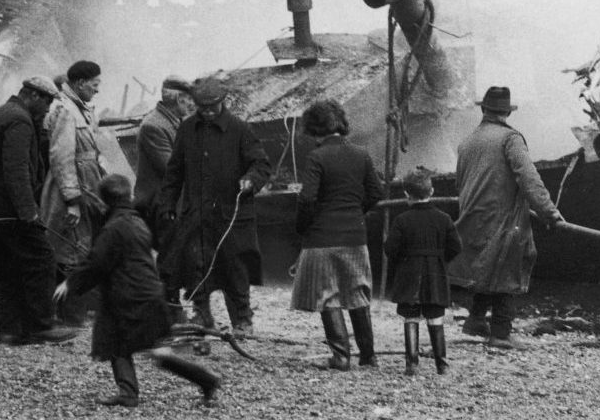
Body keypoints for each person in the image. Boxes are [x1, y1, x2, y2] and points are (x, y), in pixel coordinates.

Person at [54, 175, 221, 408]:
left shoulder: (114, 228)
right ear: (127, 195)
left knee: (114, 342)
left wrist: (70, 283)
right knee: (160, 353)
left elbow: (97, 263)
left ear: (105, 202)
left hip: (127, 300)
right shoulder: (137, 222)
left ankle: (129, 392)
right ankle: (206, 380)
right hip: (151, 297)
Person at [0, 76, 78, 345]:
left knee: (10, 267)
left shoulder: (3, 112)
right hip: (3, 207)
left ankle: (11, 330)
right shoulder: (19, 120)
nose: (47, 110)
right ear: (33, 96)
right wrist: (29, 212)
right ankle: (41, 325)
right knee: (42, 258)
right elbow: (16, 170)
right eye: (46, 103)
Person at [448, 86, 563, 346]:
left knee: (485, 266)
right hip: (502, 218)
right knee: (509, 266)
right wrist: (549, 213)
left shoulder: (467, 142)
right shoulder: (510, 139)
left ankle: (476, 319)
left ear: (483, 109)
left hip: (472, 213)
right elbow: (529, 179)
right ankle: (500, 333)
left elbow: (460, 182)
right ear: (507, 112)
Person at [161, 75, 269, 340]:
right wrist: (167, 203)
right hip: (197, 214)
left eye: (213, 107)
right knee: (197, 264)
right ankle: (203, 315)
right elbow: (174, 172)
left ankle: (243, 320)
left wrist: (250, 180)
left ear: (223, 101)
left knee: (236, 269)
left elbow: (262, 165)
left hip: (233, 216)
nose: (208, 112)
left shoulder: (240, 129)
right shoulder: (187, 129)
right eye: (202, 108)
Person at [288, 99, 385, 370]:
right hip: (355, 236)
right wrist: (355, 211)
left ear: (314, 128)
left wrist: (304, 227)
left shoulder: (316, 157)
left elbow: (307, 199)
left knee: (328, 296)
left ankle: (341, 357)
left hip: (322, 238)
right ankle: (369, 356)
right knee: (358, 294)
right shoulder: (362, 154)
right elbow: (376, 193)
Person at [42, 59, 109, 323]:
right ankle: (69, 313)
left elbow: (93, 152)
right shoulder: (65, 110)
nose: (97, 90)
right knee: (71, 248)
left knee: (82, 246)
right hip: (71, 189)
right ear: (80, 83)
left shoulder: (81, 109)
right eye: (94, 85)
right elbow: (61, 157)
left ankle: (74, 310)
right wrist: (71, 200)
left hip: (88, 186)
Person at [384, 169, 461, 375]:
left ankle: (412, 365)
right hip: (435, 273)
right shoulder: (444, 218)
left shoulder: (401, 220)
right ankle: (442, 366)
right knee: (435, 317)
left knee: (411, 316)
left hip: (409, 273)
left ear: (407, 195)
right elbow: (456, 247)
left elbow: (390, 249)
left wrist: (404, 260)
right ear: (432, 191)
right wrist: (439, 259)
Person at [135, 75, 194, 319]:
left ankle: (170, 308)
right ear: (178, 98)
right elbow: (171, 169)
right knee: (170, 258)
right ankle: (168, 311)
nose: (193, 105)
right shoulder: (154, 126)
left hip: (173, 202)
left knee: (178, 255)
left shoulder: (174, 121)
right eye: (189, 100)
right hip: (160, 205)